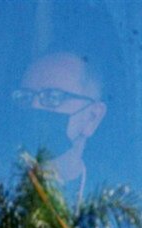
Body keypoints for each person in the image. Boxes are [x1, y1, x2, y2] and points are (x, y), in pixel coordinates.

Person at [12, 51, 107, 199]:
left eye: (53, 97)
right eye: (26, 97)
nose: (35, 106)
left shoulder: (105, 199)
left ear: (92, 118)